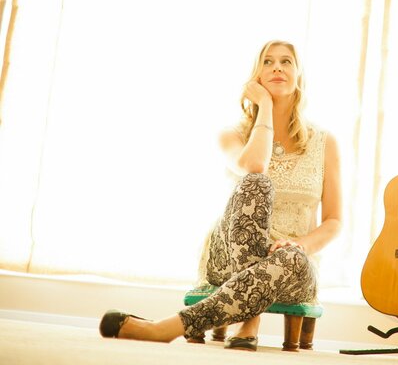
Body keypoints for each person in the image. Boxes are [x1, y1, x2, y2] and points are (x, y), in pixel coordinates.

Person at [99, 40, 343, 351]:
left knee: (292, 258)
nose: (277, 67)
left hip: (290, 264)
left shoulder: (324, 142)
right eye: (267, 62)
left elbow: (335, 221)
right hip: (226, 255)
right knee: (258, 184)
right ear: (255, 77)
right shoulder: (233, 135)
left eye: (286, 62)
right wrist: (266, 108)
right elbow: (255, 166)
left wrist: (301, 244)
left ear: (300, 76)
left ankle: (165, 328)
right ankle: (248, 320)